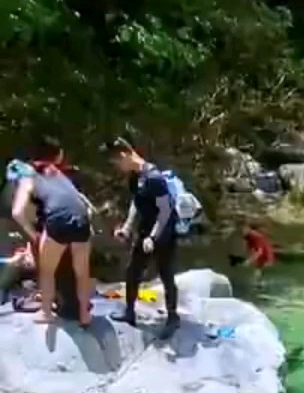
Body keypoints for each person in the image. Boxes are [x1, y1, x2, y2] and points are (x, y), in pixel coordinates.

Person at [105, 136, 179, 335]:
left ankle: (173, 317)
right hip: (145, 229)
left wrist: (153, 238)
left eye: (117, 162)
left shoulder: (154, 177)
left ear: (125, 155)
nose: (118, 167)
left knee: (166, 273)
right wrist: (128, 227)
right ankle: (129, 312)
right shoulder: (134, 176)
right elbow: (136, 202)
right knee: (133, 271)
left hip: (164, 232)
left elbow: (165, 210)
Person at [6, 157, 92, 326]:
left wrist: (33, 234)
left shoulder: (27, 178)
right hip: (82, 219)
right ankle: (84, 315)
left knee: (47, 271)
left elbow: (17, 212)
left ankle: (45, 312)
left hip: (58, 219)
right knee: (82, 273)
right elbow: (82, 203)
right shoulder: (57, 174)